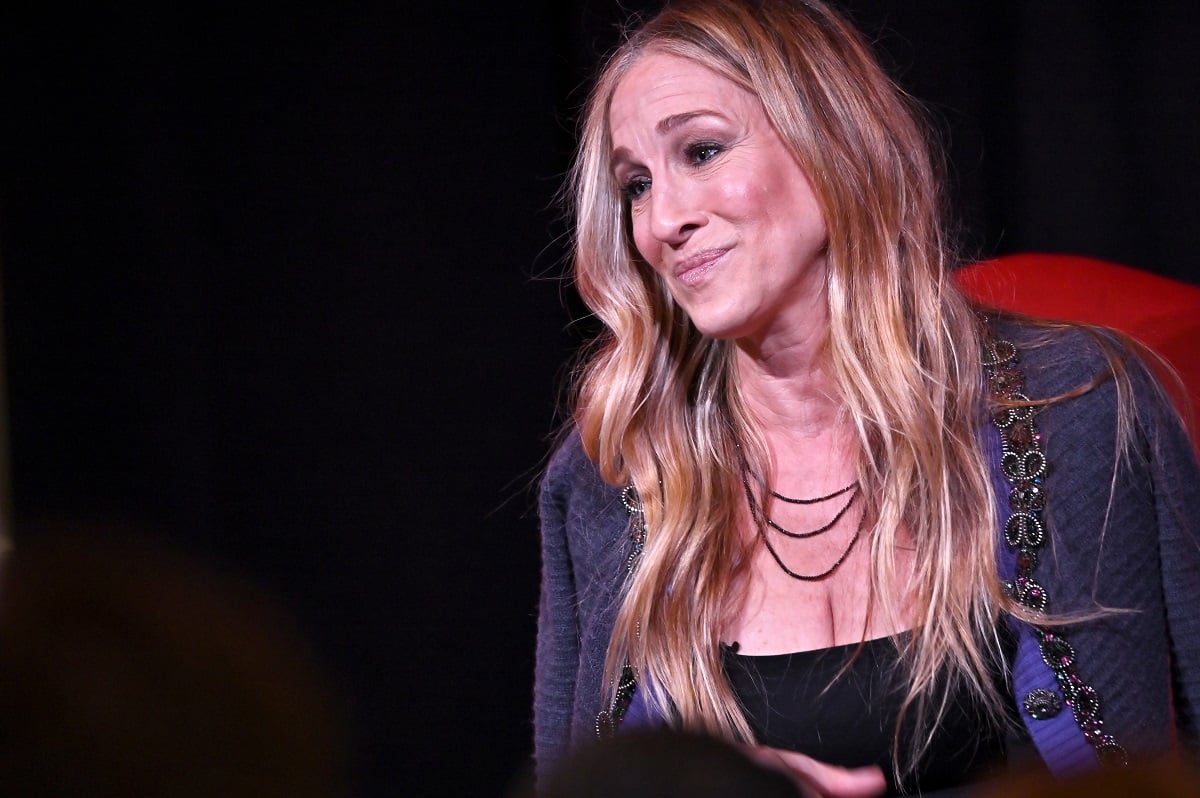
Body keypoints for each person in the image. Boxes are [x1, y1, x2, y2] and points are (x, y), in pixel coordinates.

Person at [534, 0, 1200, 796]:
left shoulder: (1077, 409)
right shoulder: (614, 473)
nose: (663, 221)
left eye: (702, 151)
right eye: (636, 185)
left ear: (833, 142)